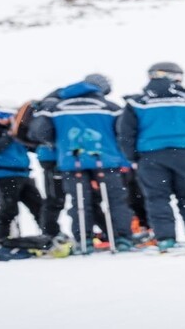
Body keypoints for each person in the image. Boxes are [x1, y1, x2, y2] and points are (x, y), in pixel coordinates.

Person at [117, 62, 185, 252]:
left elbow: (125, 133)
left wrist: (133, 157)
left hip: (151, 156)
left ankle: (165, 239)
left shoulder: (137, 102)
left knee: (157, 198)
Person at [28, 74, 137, 253]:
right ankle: (122, 238)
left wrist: (60, 143)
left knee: (80, 201)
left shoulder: (56, 107)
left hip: (72, 160)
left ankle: (84, 240)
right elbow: (123, 133)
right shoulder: (110, 107)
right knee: (115, 201)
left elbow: (39, 133)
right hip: (106, 159)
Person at [0, 101, 44, 243]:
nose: (2, 118)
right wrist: (10, 134)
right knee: (9, 209)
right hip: (2, 175)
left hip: (23, 174)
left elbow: (32, 147)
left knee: (39, 206)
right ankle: (1, 240)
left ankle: (49, 235)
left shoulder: (19, 132)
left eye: (6, 115)